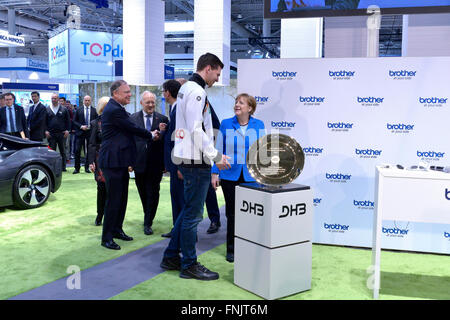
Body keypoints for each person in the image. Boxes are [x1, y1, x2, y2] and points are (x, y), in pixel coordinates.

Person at [160, 52, 230, 281]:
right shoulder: (196, 91)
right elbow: (196, 129)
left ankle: (171, 256)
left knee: (188, 211)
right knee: (193, 216)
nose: (217, 79)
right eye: (217, 73)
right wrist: (215, 155)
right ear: (208, 68)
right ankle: (189, 264)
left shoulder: (186, 89)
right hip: (195, 159)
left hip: (188, 157)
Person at [98, 80, 154, 251]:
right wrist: (150, 134)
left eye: (129, 92)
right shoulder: (114, 110)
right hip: (112, 161)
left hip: (119, 161)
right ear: (115, 93)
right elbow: (132, 128)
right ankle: (106, 237)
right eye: (126, 92)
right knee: (114, 200)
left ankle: (117, 230)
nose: (130, 94)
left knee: (121, 199)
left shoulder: (117, 108)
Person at [211, 93, 266, 263]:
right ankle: (232, 249)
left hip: (252, 176)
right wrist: (214, 172)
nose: (237, 105)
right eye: (236, 102)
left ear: (250, 108)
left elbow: (262, 151)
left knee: (251, 214)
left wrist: (264, 175)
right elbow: (218, 150)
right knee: (232, 214)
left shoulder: (259, 125)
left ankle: (250, 247)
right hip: (229, 175)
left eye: (241, 103)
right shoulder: (226, 123)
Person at [130, 91, 168, 235]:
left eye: (153, 102)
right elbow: (130, 141)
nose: (151, 105)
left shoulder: (163, 119)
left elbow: (167, 144)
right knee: (143, 193)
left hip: (156, 163)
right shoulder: (132, 118)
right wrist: (130, 162)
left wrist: (165, 163)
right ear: (141, 103)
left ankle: (148, 222)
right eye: (148, 102)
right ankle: (148, 215)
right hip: (138, 163)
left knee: (153, 193)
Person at [162, 79, 183, 238]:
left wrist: (180, 166)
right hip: (174, 163)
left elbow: (180, 140)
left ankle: (183, 232)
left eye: (163, 91)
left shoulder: (179, 110)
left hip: (178, 164)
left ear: (168, 92)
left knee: (180, 198)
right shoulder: (174, 109)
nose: (163, 94)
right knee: (176, 197)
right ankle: (177, 229)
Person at [88, 96, 110, 226]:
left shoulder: (116, 122)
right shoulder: (95, 123)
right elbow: (91, 144)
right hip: (99, 159)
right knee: (101, 189)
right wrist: (91, 161)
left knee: (112, 190)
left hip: (113, 160)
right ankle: (99, 215)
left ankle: (109, 216)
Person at [73, 95, 98, 174]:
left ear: (91, 101)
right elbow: (74, 121)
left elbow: (97, 121)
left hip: (90, 133)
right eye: (85, 100)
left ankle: (87, 167)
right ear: (83, 101)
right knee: (77, 150)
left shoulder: (94, 110)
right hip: (80, 133)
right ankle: (77, 168)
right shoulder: (78, 110)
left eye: (88, 100)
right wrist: (81, 126)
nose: (87, 102)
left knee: (89, 150)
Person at [46, 93, 71, 172]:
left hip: (62, 134)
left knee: (62, 151)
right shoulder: (47, 109)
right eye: (52, 98)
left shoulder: (64, 109)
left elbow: (68, 121)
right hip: (51, 134)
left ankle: (63, 167)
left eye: (55, 98)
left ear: (58, 99)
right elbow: (44, 122)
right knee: (51, 152)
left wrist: (68, 130)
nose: (54, 100)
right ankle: (51, 168)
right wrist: (45, 131)